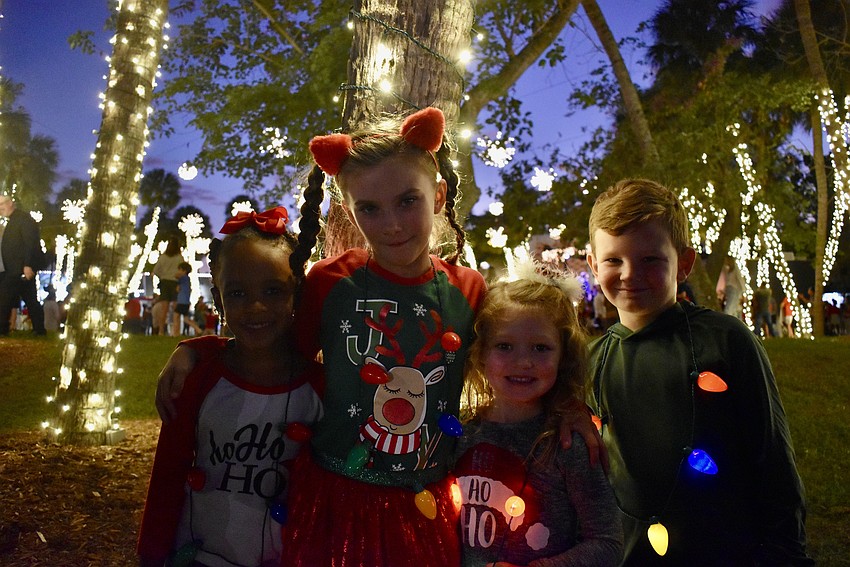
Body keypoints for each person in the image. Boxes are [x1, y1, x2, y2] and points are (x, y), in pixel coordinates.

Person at [154, 108, 602, 565]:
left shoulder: (469, 289)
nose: (391, 223)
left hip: (425, 506)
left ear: (439, 196)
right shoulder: (330, 282)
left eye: (408, 200)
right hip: (333, 502)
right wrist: (198, 349)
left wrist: (569, 405)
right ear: (349, 210)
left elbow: (515, 357)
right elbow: (273, 353)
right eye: (369, 207)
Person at [586, 178, 812, 564]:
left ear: (684, 264)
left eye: (650, 260)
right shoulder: (592, 361)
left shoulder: (726, 341)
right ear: (593, 265)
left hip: (727, 551)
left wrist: (784, 552)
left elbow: (772, 459)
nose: (629, 274)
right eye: (613, 260)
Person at [137, 207, 324, 567]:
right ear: (219, 301)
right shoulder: (198, 380)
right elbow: (168, 475)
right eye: (238, 293)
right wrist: (152, 554)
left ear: (296, 294)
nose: (256, 306)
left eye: (273, 290)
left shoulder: (320, 390)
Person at [455, 264, 623, 567]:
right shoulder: (458, 433)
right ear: (480, 353)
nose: (523, 361)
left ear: (564, 356)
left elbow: (607, 542)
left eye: (541, 348)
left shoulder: (569, 443)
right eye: (504, 346)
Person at [0, 193, 46, 336]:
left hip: (18, 269)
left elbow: (30, 243)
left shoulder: (23, 219)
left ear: (10, 203)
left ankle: (2, 328)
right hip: (16, 268)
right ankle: (39, 329)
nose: (0, 209)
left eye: (1, 205)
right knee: (30, 299)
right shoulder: (15, 220)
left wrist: (27, 265)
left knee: (4, 299)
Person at [153, 235, 183, 334]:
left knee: (164, 309)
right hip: (175, 282)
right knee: (175, 309)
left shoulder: (163, 257)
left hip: (164, 282)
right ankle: (175, 332)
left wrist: (163, 275)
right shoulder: (179, 257)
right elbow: (182, 270)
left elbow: (156, 270)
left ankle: (161, 331)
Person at [171, 261, 202, 337]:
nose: (178, 271)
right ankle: (198, 329)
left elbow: (175, 277)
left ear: (184, 271)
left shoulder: (183, 278)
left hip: (182, 302)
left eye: (180, 270)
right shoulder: (187, 280)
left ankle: (175, 333)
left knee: (176, 316)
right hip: (186, 302)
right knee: (186, 319)